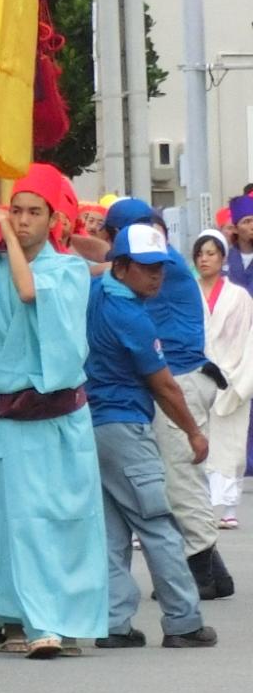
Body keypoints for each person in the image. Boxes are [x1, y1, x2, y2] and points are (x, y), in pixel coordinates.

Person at [86, 219, 216, 648]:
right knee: (158, 524)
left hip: (93, 424)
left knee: (112, 531)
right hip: (125, 425)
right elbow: (165, 386)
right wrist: (194, 433)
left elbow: (89, 262)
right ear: (122, 266)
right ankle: (183, 622)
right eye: (146, 266)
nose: (156, 274)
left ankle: (114, 624)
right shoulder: (131, 318)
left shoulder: (99, 292)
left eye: (159, 265)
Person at [108, 199, 236, 601]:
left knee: (180, 479)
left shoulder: (160, 264)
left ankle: (201, 572)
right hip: (187, 377)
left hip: (180, 379)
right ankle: (214, 574)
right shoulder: (166, 260)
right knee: (180, 476)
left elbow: (100, 262)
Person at [193, 228, 253, 525]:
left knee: (231, 443)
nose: (204, 259)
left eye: (210, 253)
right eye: (200, 254)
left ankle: (229, 507)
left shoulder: (239, 296)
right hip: (198, 374)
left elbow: (245, 337)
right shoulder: (189, 292)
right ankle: (203, 505)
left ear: (222, 257)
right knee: (199, 442)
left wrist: (234, 373)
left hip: (232, 373)